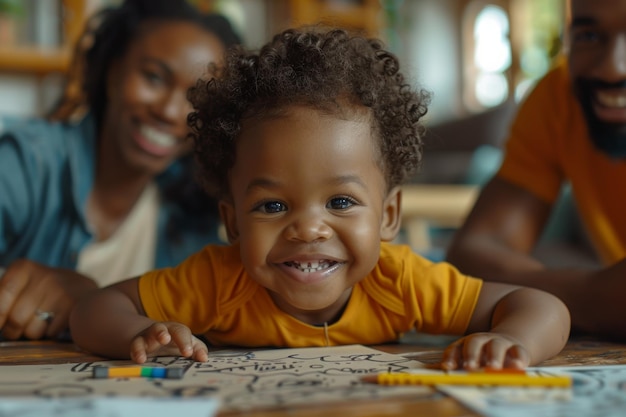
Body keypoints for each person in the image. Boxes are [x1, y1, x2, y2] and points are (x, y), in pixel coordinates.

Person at [70, 27, 570, 369]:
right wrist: (141, 334)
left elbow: (542, 306)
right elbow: (96, 308)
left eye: (341, 203)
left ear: (389, 214)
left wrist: (513, 341)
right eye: (272, 206)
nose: (308, 229)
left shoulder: (402, 282)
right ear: (234, 222)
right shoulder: (216, 283)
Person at [0, 0, 241, 341]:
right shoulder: (28, 163)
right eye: (154, 77)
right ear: (113, 73)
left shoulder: (193, 206)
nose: (171, 112)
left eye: (196, 98)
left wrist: (87, 299)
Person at [446, 0, 626, 341]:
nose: (612, 69)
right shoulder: (559, 97)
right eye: (589, 35)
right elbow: (475, 255)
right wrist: (594, 295)